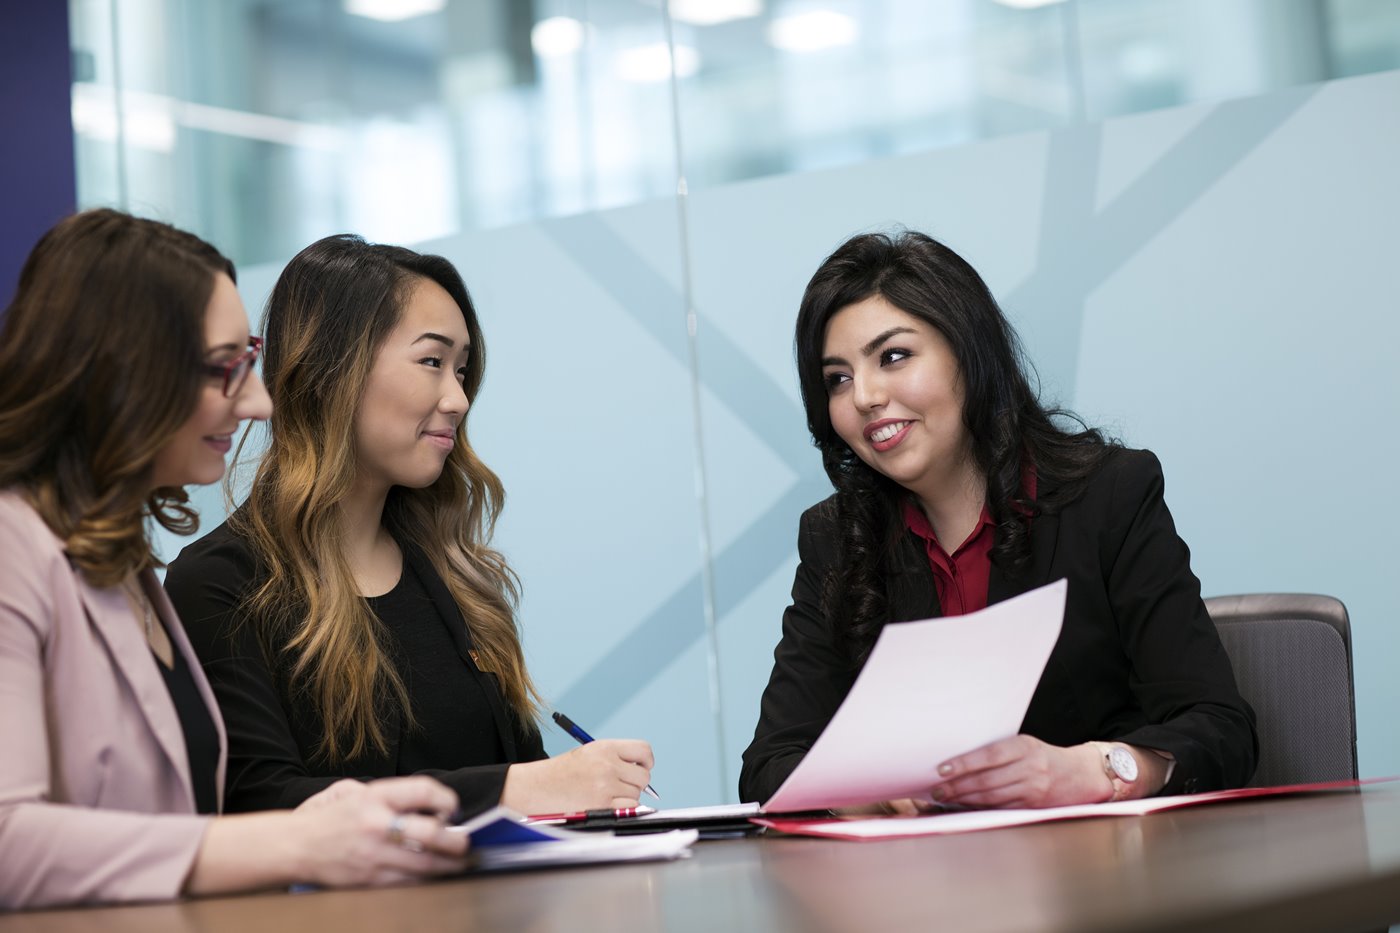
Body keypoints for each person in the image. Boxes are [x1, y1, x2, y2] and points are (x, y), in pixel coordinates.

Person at [0, 210, 469, 910]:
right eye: (227, 368)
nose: (255, 400)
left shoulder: (122, 566)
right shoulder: (13, 546)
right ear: (121, 368)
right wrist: (300, 840)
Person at [739, 230, 1257, 810]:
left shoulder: (1108, 495)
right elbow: (770, 765)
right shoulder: (837, 539)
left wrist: (1097, 769)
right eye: (838, 378)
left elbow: (1218, 726)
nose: (864, 396)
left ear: (969, 352)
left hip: (1103, 877)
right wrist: (865, 796)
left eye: (894, 357)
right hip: (920, 889)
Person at [164, 234, 653, 819]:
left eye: (463, 370)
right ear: (333, 366)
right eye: (432, 362)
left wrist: (580, 794)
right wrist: (520, 789)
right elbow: (261, 804)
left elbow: (529, 788)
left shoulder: (457, 577)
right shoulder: (221, 584)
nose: (458, 398)